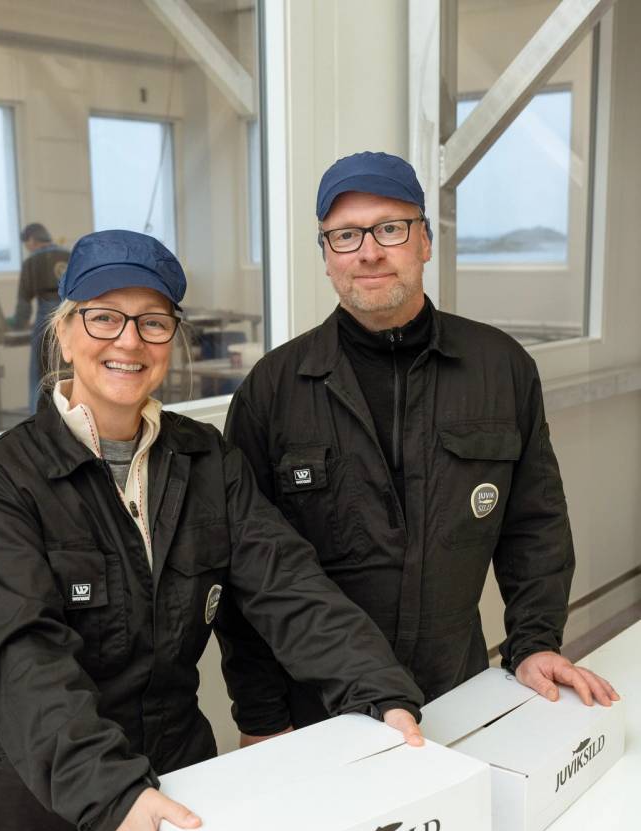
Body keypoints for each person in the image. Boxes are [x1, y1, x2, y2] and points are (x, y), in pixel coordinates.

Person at [0, 229, 426, 831]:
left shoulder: (206, 462)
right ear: (64, 331)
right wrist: (112, 798)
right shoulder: (1, 485)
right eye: (104, 316)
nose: (128, 341)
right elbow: (22, 662)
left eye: (153, 320)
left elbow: (289, 586)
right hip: (48, 821)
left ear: (173, 336)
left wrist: (382, 694)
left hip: (185, 789)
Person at [218, 151, 619, 748]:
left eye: (391, 228)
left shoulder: (500, 369)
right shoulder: (272, 391)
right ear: (326, 255)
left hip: (458, 694)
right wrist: (261, 717)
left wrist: (534, 642)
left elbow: (534, 526)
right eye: (346, 235)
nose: (369, 251)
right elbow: (243, 571)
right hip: (321, 712)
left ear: (425, 241)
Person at [6, 222, 70, 412]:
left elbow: (24, 303)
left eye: (27, 244)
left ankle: (38, 418)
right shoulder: (69, 255)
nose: (28, 248)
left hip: (46, 320)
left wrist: (17, 323)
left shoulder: (32, 262)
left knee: (39, 374)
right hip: (72, 317)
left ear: (32, 240)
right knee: (70, 372)